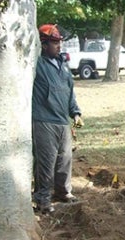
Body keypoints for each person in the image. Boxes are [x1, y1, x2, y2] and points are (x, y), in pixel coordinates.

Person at [32, 24, 83, 214]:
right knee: (46, 161)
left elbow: (70, 92)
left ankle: (63, 191)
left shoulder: (63, 65)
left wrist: (75, 112)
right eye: (54, 42)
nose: (59, 46)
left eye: (59, 42)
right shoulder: (36, 64)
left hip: (63, 120)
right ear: (43, 44)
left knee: (65, 159)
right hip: (43, 120)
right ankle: (43, 199)